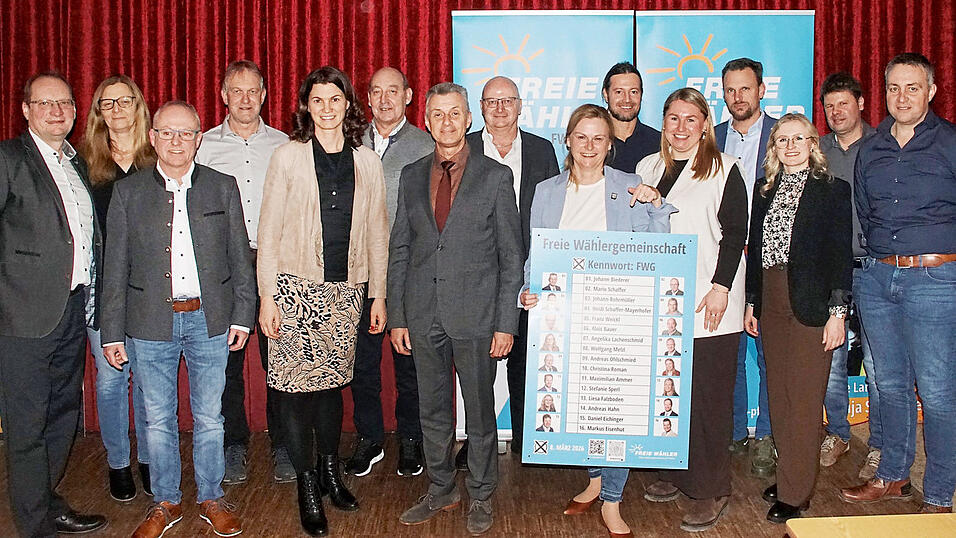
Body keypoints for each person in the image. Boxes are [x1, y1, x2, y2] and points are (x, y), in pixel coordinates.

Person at [518, 103, 673, 537]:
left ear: (609, 144)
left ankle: (612, 499)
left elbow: (657, 247)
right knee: (581, 405)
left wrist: (656, 202)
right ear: (567, 140)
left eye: (598, 138)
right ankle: (593, 479)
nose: (589, 146)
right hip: (563, 318)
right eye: (581, 137)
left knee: (617, 408)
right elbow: (536, 253)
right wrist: (526, 291)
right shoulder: (546, 190)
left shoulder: (629, 186)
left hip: (619, 313)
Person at [101, 100, 255, 538]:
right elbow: (115, 267)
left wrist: (242, 316)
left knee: (210, 417)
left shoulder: (222, 187)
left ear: (199, 139)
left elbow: (239, 258)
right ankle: (165, 502)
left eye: (186, 133)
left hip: (210, 320)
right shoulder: (128, 194)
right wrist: (112, 331)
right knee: (157, 417)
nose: (176, 141)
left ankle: (210, 495)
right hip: (149, 323)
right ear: (152, 137)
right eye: (167, 132)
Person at [256, 66, 388, 536]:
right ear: (306, 107)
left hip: (346, 292)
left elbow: (377, 233)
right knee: (294, 394)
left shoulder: (367, 161)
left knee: (332, 388)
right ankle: (307, 484)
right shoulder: (287, 157)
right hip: (294, 290)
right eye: (318, 100)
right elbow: (268, 232)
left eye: (336, 99)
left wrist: (379, 296)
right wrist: (267, 297)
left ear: (348, 105)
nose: (327, 108)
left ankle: (332, 470)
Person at [388, 82, 523, 536]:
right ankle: (441, 487)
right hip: (424, 314)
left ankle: (482, 493)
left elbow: (511, 255)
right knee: (432, 411)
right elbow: (400, 250)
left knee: (481, 413)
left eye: (455, 113)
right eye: (438, 114)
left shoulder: (495, 176)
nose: (446, 122)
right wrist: (399, 316)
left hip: (477, 317)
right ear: (426, 122)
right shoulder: (410, 175)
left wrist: (507, 322)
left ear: (469, 119)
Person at [841, 53, 956, 515]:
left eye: (912, 88)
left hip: (935, 277)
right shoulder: (872, 147)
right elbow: (865, 210)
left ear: (930, 91)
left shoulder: (949, 142)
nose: (901, 97)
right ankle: (892, 476)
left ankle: (941, 491)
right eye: (893, 88)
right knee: (887, 384)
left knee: (938, 389)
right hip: (876, 276)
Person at [0, 71, 108, 537]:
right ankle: (33, 523)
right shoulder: (8, 158)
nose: (56, 111)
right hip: (21, 314)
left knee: (63, 412)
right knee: (26, 422)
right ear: (25, 110)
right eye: (44, 104)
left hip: (72, 308)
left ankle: (47, 500)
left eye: (64, 103)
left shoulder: (75, 162)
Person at [635, 87, 748, 532]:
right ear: (663, 122)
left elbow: (736, 232)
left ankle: (710, 488)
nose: (681, 128)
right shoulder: (648, 167)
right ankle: (673, 472)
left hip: (708, 301)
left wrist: (722, 287)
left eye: (691, 119)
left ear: (705, 124)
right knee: (669, 395)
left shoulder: (726, 169)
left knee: (707, 399)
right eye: (673, 118)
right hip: (661, 304)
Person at [744, 113, 852, 523]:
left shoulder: (832, 191)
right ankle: (792, 471)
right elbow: (755, 252)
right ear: (773, 147)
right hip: (771, 299)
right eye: (782, 139)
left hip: (812, 304)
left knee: (805, 401)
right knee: (779, 396)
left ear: (812, 144)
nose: (790, 145)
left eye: (798, 138)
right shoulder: (765, 189)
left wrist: (837, 313)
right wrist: (752, 301)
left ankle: (795, 492)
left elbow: (841, 256)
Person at [195, 59, 293, 485]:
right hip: (224, 266)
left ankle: (285, 445)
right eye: (237, 91)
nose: (246, 99)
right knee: (227, 362)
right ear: (223, 96)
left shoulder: (285, 145)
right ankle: (233, 443)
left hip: (277, 265)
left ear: (265, 95)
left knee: (280, 360)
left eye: (254, 90)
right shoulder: (203, 148)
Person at [462, 75, 559, 463]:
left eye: (508, 100)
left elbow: (553, 210)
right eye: (491, 101)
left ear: (520, 106)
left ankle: (525, 441)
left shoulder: (541, 150)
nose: (500, 108)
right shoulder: (464, 148)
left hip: (529, 274)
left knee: (524, 362)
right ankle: (477, 443)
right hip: (475, 277)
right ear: (480, 109)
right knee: (476, 368)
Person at [348, 66, 433, 478]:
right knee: (361, 363)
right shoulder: (347, 139)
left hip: (406, 270)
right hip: (356, 272)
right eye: (376, 92)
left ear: (409, 96)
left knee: (409, 362)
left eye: (393, 91)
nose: (384, 100)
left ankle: (411, 439)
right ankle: (370, 437)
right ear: (367, 98)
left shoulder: (426, 145)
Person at [79, 74, 156, 503]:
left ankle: (149, 459)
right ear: (98, 113)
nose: (117, 110)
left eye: (124, 101)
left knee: (147, 380)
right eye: (107, 104)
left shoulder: (156, 157)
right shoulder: (84, 163)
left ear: (138, 106)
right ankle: (118, 463)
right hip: (103, 287)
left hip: (148, 290)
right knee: (111, 382)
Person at [715, 57, 778, 478]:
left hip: (771, 261)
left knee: (770, 352)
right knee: (730, 350)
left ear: (761, 90)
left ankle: (767, 436)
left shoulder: (783, 135)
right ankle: (734, 431)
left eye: (745, 89)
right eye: (730, 90)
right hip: (724, 259)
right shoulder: (711, 136)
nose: (738, 97)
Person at [816, 72, 881, 477]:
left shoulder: (884, 145)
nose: (837, 112)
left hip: (875, 269)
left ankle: (879, 444)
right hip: (830, 272)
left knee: (878, 364)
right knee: (832, 359)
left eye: (844, 103)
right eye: (829, 106)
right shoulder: (816, 151)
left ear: (860, 104)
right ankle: (837, 432)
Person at [601, 62, 661, 172]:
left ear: (641, 94)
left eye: (633, 92)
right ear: (606, 94)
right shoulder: (593, 144)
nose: (627, 99)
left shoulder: (659, 144)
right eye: (619, 92)